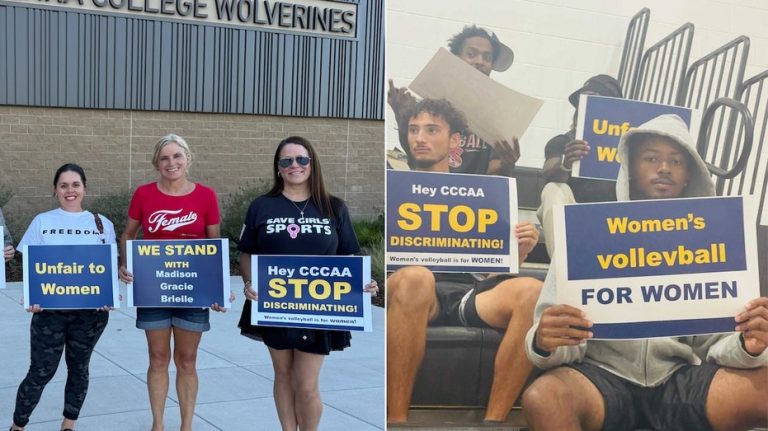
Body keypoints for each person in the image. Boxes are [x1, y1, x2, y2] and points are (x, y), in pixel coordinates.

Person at [523, 114, 768, 431]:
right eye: (651, 158)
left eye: (677, 161)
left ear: (688, 175)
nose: (664, 168)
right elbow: (557, 340)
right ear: (631, 168)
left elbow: (715, 345)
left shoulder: (709, 242)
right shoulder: (588, 232)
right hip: (600, 377)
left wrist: (749, 345)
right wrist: (545, 341)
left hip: (679, 378)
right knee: (544, 397)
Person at [387, 99, 542, 423]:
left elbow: (488, 271)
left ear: (454, 140)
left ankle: (493, 423)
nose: (419, 138)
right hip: (407, 290)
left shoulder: (479, 193)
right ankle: (396, 421)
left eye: (432, 130)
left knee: (532, 290)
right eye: (413, 130)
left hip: (465, 293)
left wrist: (519, 251)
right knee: (417, 278)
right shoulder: (391, 188)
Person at [237, 136, 379, 431]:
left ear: (312, 164)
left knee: (306, 384)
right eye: (286, 161)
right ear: (278, 168)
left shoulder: (334, 207)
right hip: (274, 304)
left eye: (301, 159)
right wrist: (250, 280)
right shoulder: (262, 206)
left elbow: (350, 255)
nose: (294, 166)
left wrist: (366, 283)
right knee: (283, 375)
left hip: (319, 307)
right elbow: (247, 251)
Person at [118, 134, 228, 431]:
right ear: (157, 162)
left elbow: (213, 245)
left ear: (188, 159)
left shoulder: (206, 195)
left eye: (177, 156)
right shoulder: (143, 194)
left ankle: (186, 425)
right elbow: (128, 234)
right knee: (157, 358)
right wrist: (125, 263)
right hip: (154, 289)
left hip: (192, 290)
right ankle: (158, 424)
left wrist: (216, 288)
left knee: (187, 360)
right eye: (165, 157)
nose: (172, 162)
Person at [9, 163, 116, 431]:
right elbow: (32, 266)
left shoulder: (102, 224)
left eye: (75, 184)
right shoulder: (42, 221)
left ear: (84, 188)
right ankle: (18, 425)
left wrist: (108, 295)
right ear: (55, 190)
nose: (70, 190)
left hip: (90, 314)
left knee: (79, 369)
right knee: (40, 372)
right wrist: (31, 296)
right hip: (49, 312)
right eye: (63, 185)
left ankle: (68, 425)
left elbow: (107, 268)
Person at [388, 24, 520, 176]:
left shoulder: (499, 114)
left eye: (487, 57)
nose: (480, 61)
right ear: (456, 59)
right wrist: (402, 115)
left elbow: (494, 172)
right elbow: (417, 157)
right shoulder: (433, 103)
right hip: (429, 188)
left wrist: (505, 165)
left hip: (475, 193)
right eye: (471, 54)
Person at [537, 74, 623, 258]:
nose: (586, 105)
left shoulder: (631, 147)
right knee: (553, 189)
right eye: (583, 100)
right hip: (572, 217)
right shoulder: (564, 141)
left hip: (617, 220)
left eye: (594, 100)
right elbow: (548, 172)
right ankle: (564, 268)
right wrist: (566, 162)